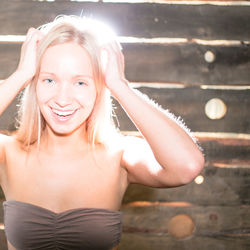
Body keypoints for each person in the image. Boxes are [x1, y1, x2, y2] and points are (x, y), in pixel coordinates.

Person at [0, 15, 204, 250]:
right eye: (48, 80)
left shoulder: (120, 155)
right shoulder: (8, 153)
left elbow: (187, 166)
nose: (63, 99)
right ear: (34, 84)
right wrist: (21, 75)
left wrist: (120, 85)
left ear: (99, 88)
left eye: (80, 83)